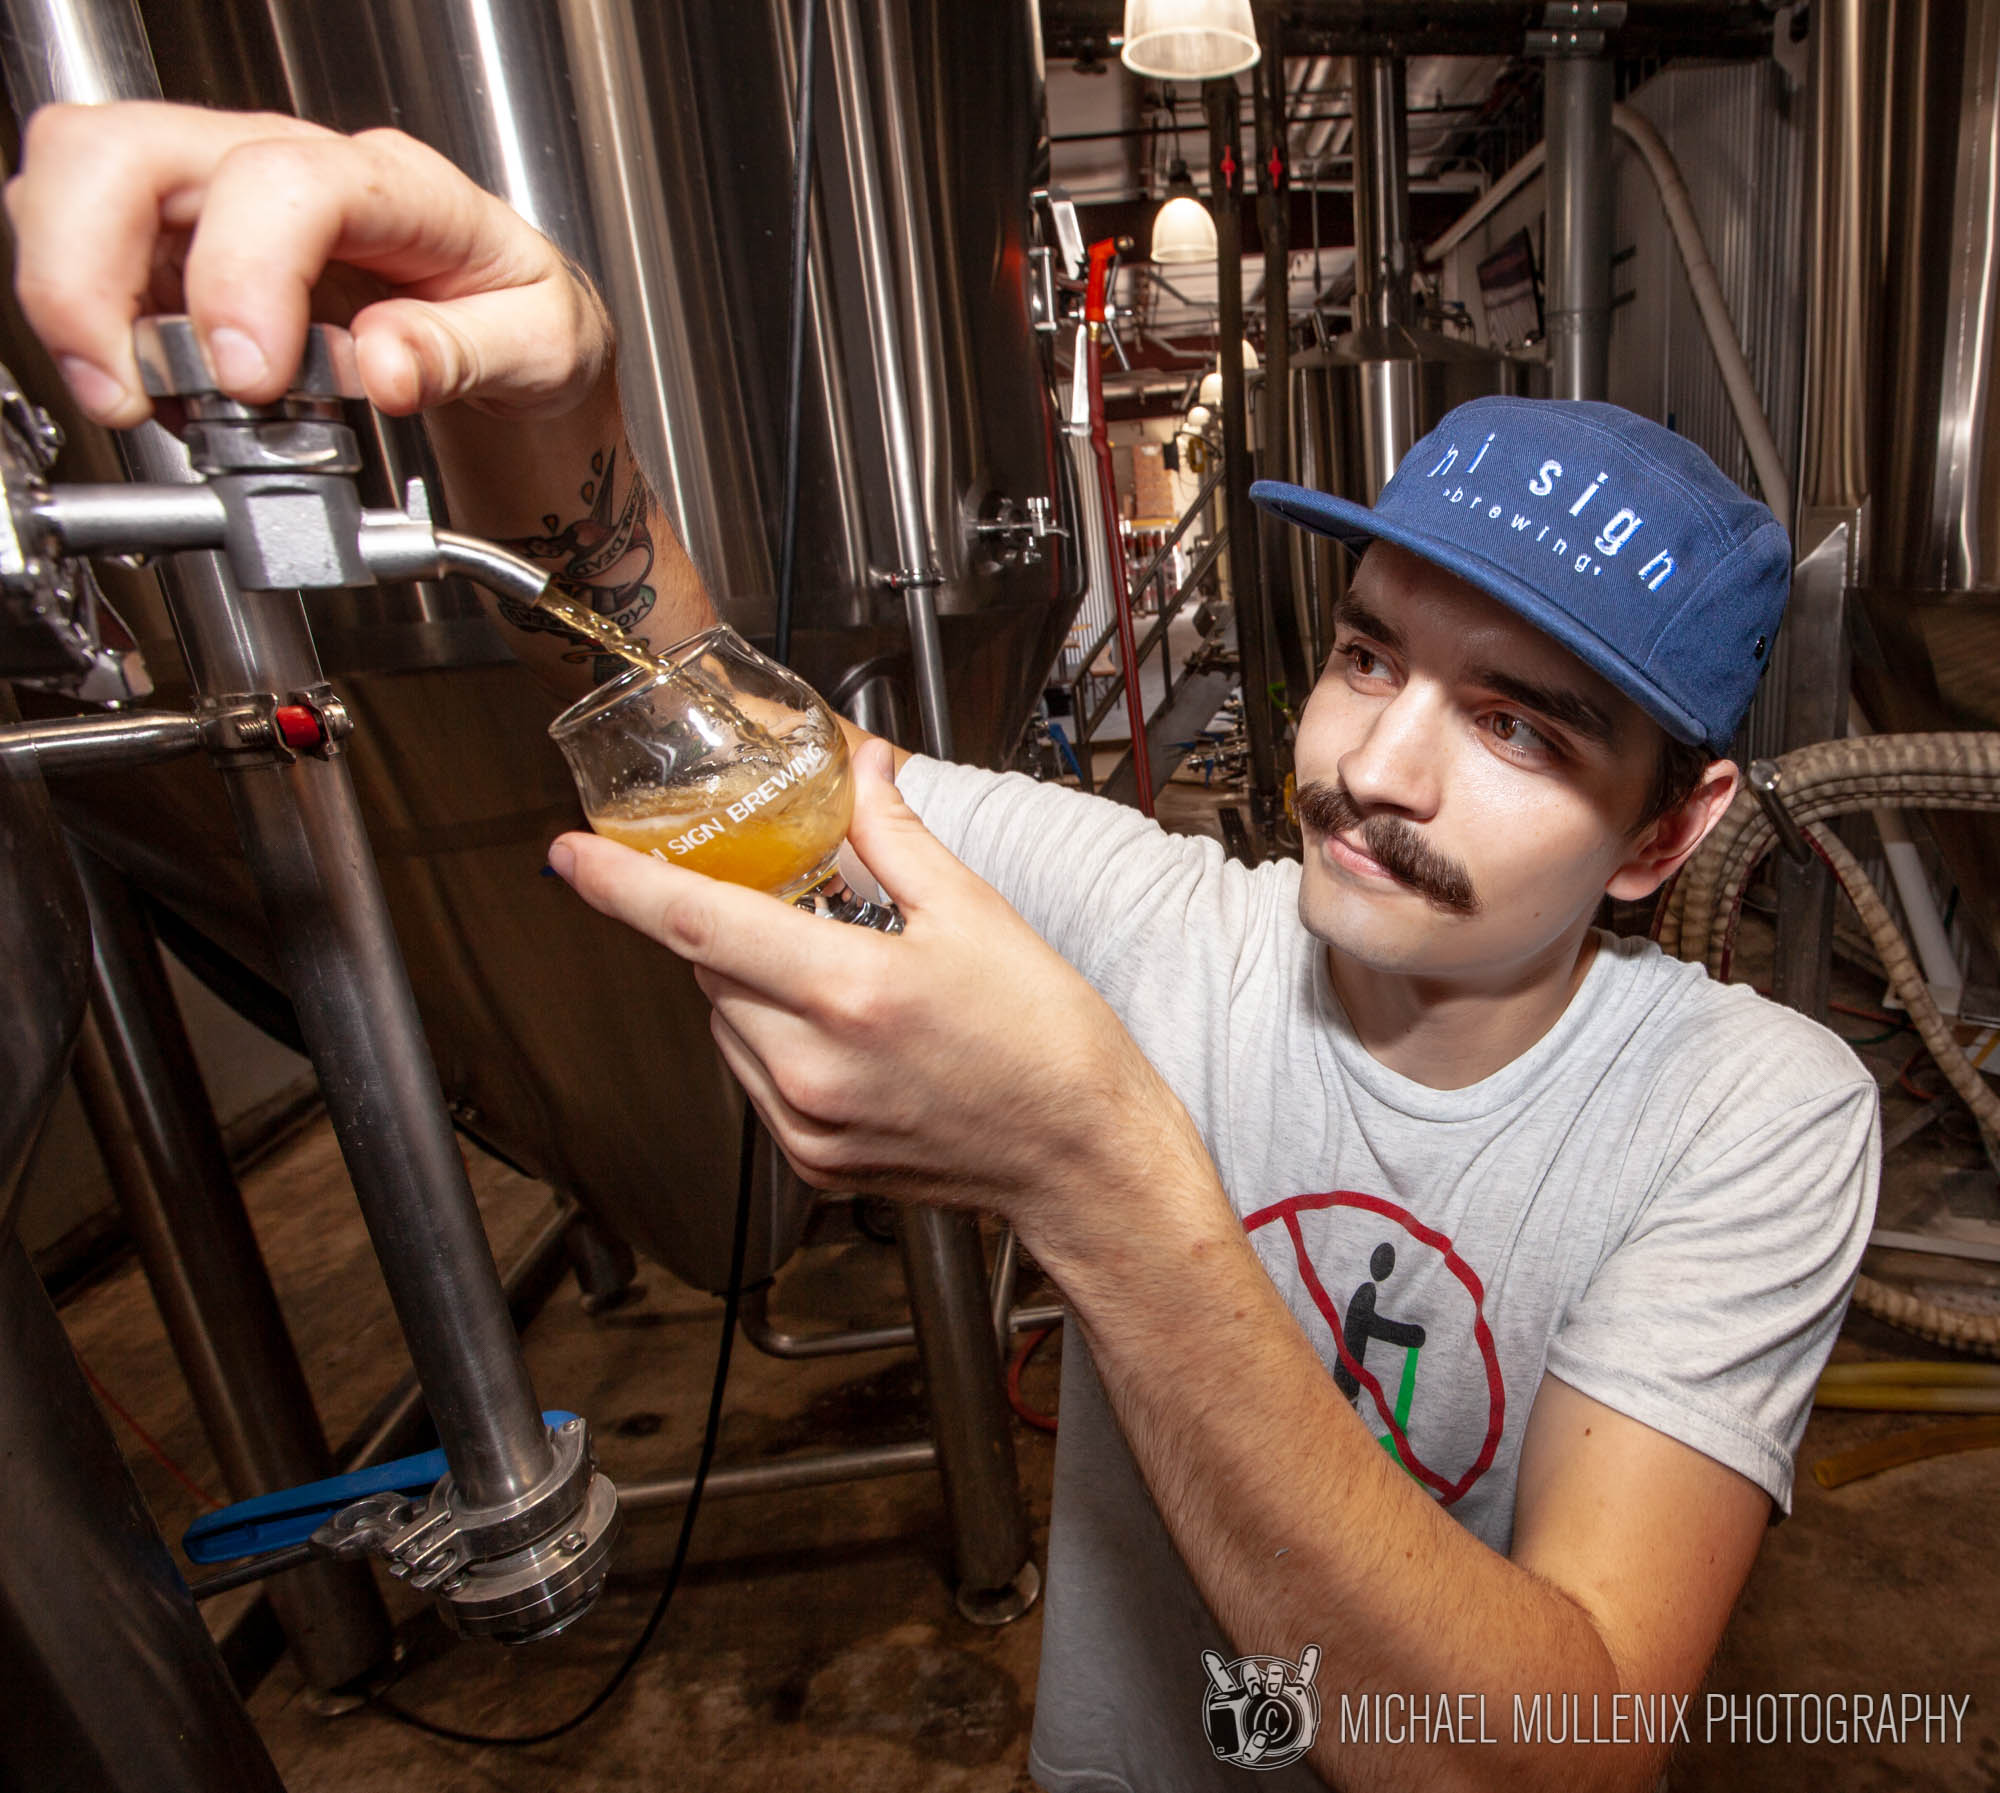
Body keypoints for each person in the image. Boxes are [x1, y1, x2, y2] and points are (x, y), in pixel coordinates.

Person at [9, 106, 1879, 1792]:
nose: (1375, 767)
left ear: (1666, 831)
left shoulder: (1749, 1114)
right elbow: (718, 728)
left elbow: (1553, 1756)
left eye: (1520, 726)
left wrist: (1092, 1171)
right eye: (1369, 653)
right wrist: (551, 409)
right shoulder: (1170, 927)